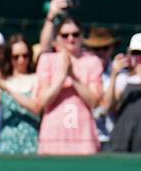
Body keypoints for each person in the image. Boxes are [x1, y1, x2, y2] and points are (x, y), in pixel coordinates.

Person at [36, 16, 103, 154]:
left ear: (82, 36)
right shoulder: (47, 60)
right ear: (57, 38)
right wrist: (62, 77)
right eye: (65, 35)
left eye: (75, 34)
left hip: (83, 136)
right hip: (53, 135)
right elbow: (43, 101)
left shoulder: (93, 61)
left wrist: (73, 76)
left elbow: (94, 102)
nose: (71, 39)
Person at [0, 34, 41, 154]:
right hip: (7, 142)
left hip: (31, 140)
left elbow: (36, 108)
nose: (21, 60)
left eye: (25, 56)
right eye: (16, 57)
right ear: (9, 58)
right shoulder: (3, 80)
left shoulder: (36, 79)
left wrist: (8, 89)